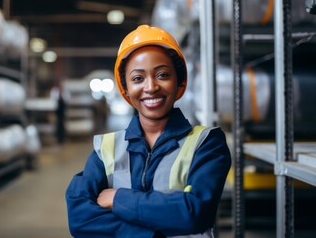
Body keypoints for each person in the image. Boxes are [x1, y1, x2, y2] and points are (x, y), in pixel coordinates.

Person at [65, 24, 231, 238]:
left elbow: (195, 212)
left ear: (180, 83)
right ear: (125, 89)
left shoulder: (206, 143)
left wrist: (117, 199)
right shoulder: (106, 149)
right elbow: (80, 217)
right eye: (137, 78)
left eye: (162, 75)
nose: (151, 87)